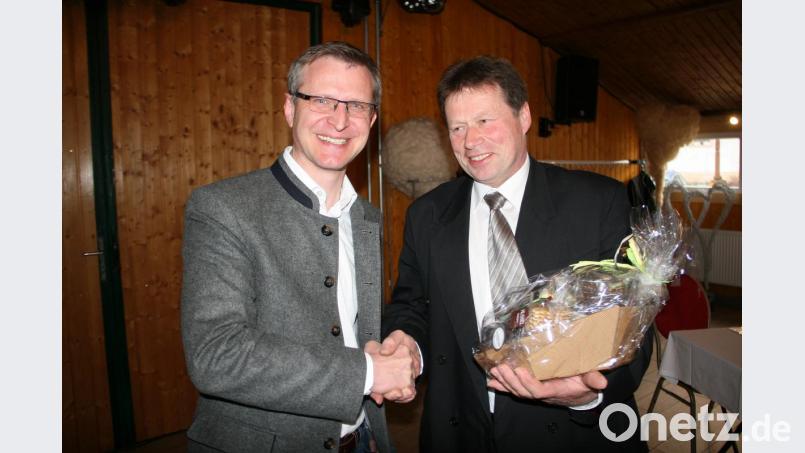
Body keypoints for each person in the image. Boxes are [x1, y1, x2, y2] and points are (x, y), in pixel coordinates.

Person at [380, 56, 652, 452]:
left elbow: (633, 326)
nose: (471, 141)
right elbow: (412, 305)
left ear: (523, 116)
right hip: (460, 431)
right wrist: (406, 342)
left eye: (485, 121)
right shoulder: (428, 214)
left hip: (573, 433)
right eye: (457, 127)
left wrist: (589, 394)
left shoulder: (597, 202)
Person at [180, 41, 415, 453]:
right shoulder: (222, 207)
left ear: (372, 119)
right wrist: (367, 372)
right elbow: (215, 355)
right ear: (290, 107)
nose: (339, 120)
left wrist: (391, 351)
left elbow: (355, 329)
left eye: (357, 105)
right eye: (322, 99)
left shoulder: (367, 217)